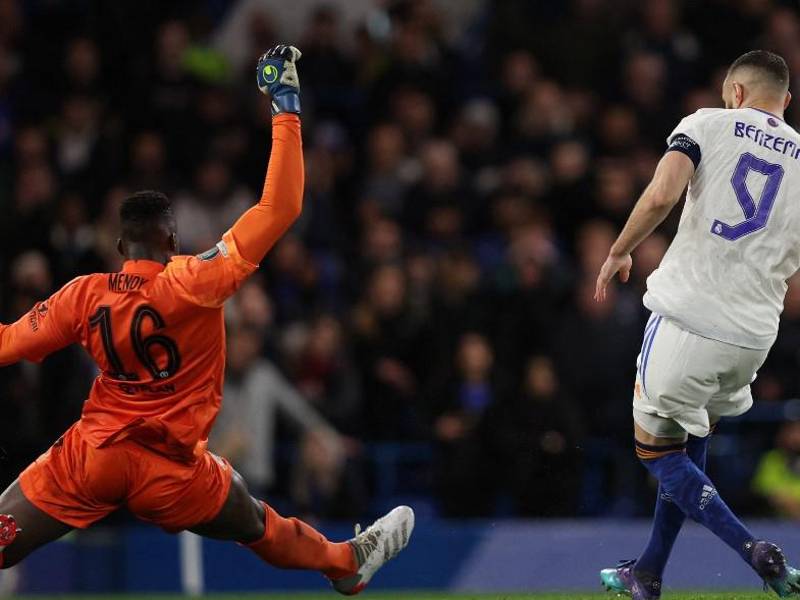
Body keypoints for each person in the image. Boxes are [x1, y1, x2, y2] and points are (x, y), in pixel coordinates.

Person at [0, 45, 413, 596]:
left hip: (93, 456)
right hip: (173, 475)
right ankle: (343, 562)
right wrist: (285, 105)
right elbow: (281, 207)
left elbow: (7, 345)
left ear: (119, 244)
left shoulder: (83, 296)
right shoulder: (197, 280)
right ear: (172, 239)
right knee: (259, 523)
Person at [595, 50, 800, 598]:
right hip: (753, 338)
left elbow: (663, 193)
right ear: (786, 101)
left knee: (656, 452)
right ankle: (649, 573)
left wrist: (619, 250)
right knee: (687, 440)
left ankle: (753, 550)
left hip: (689, 318)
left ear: (735, 92)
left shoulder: (704, 124)